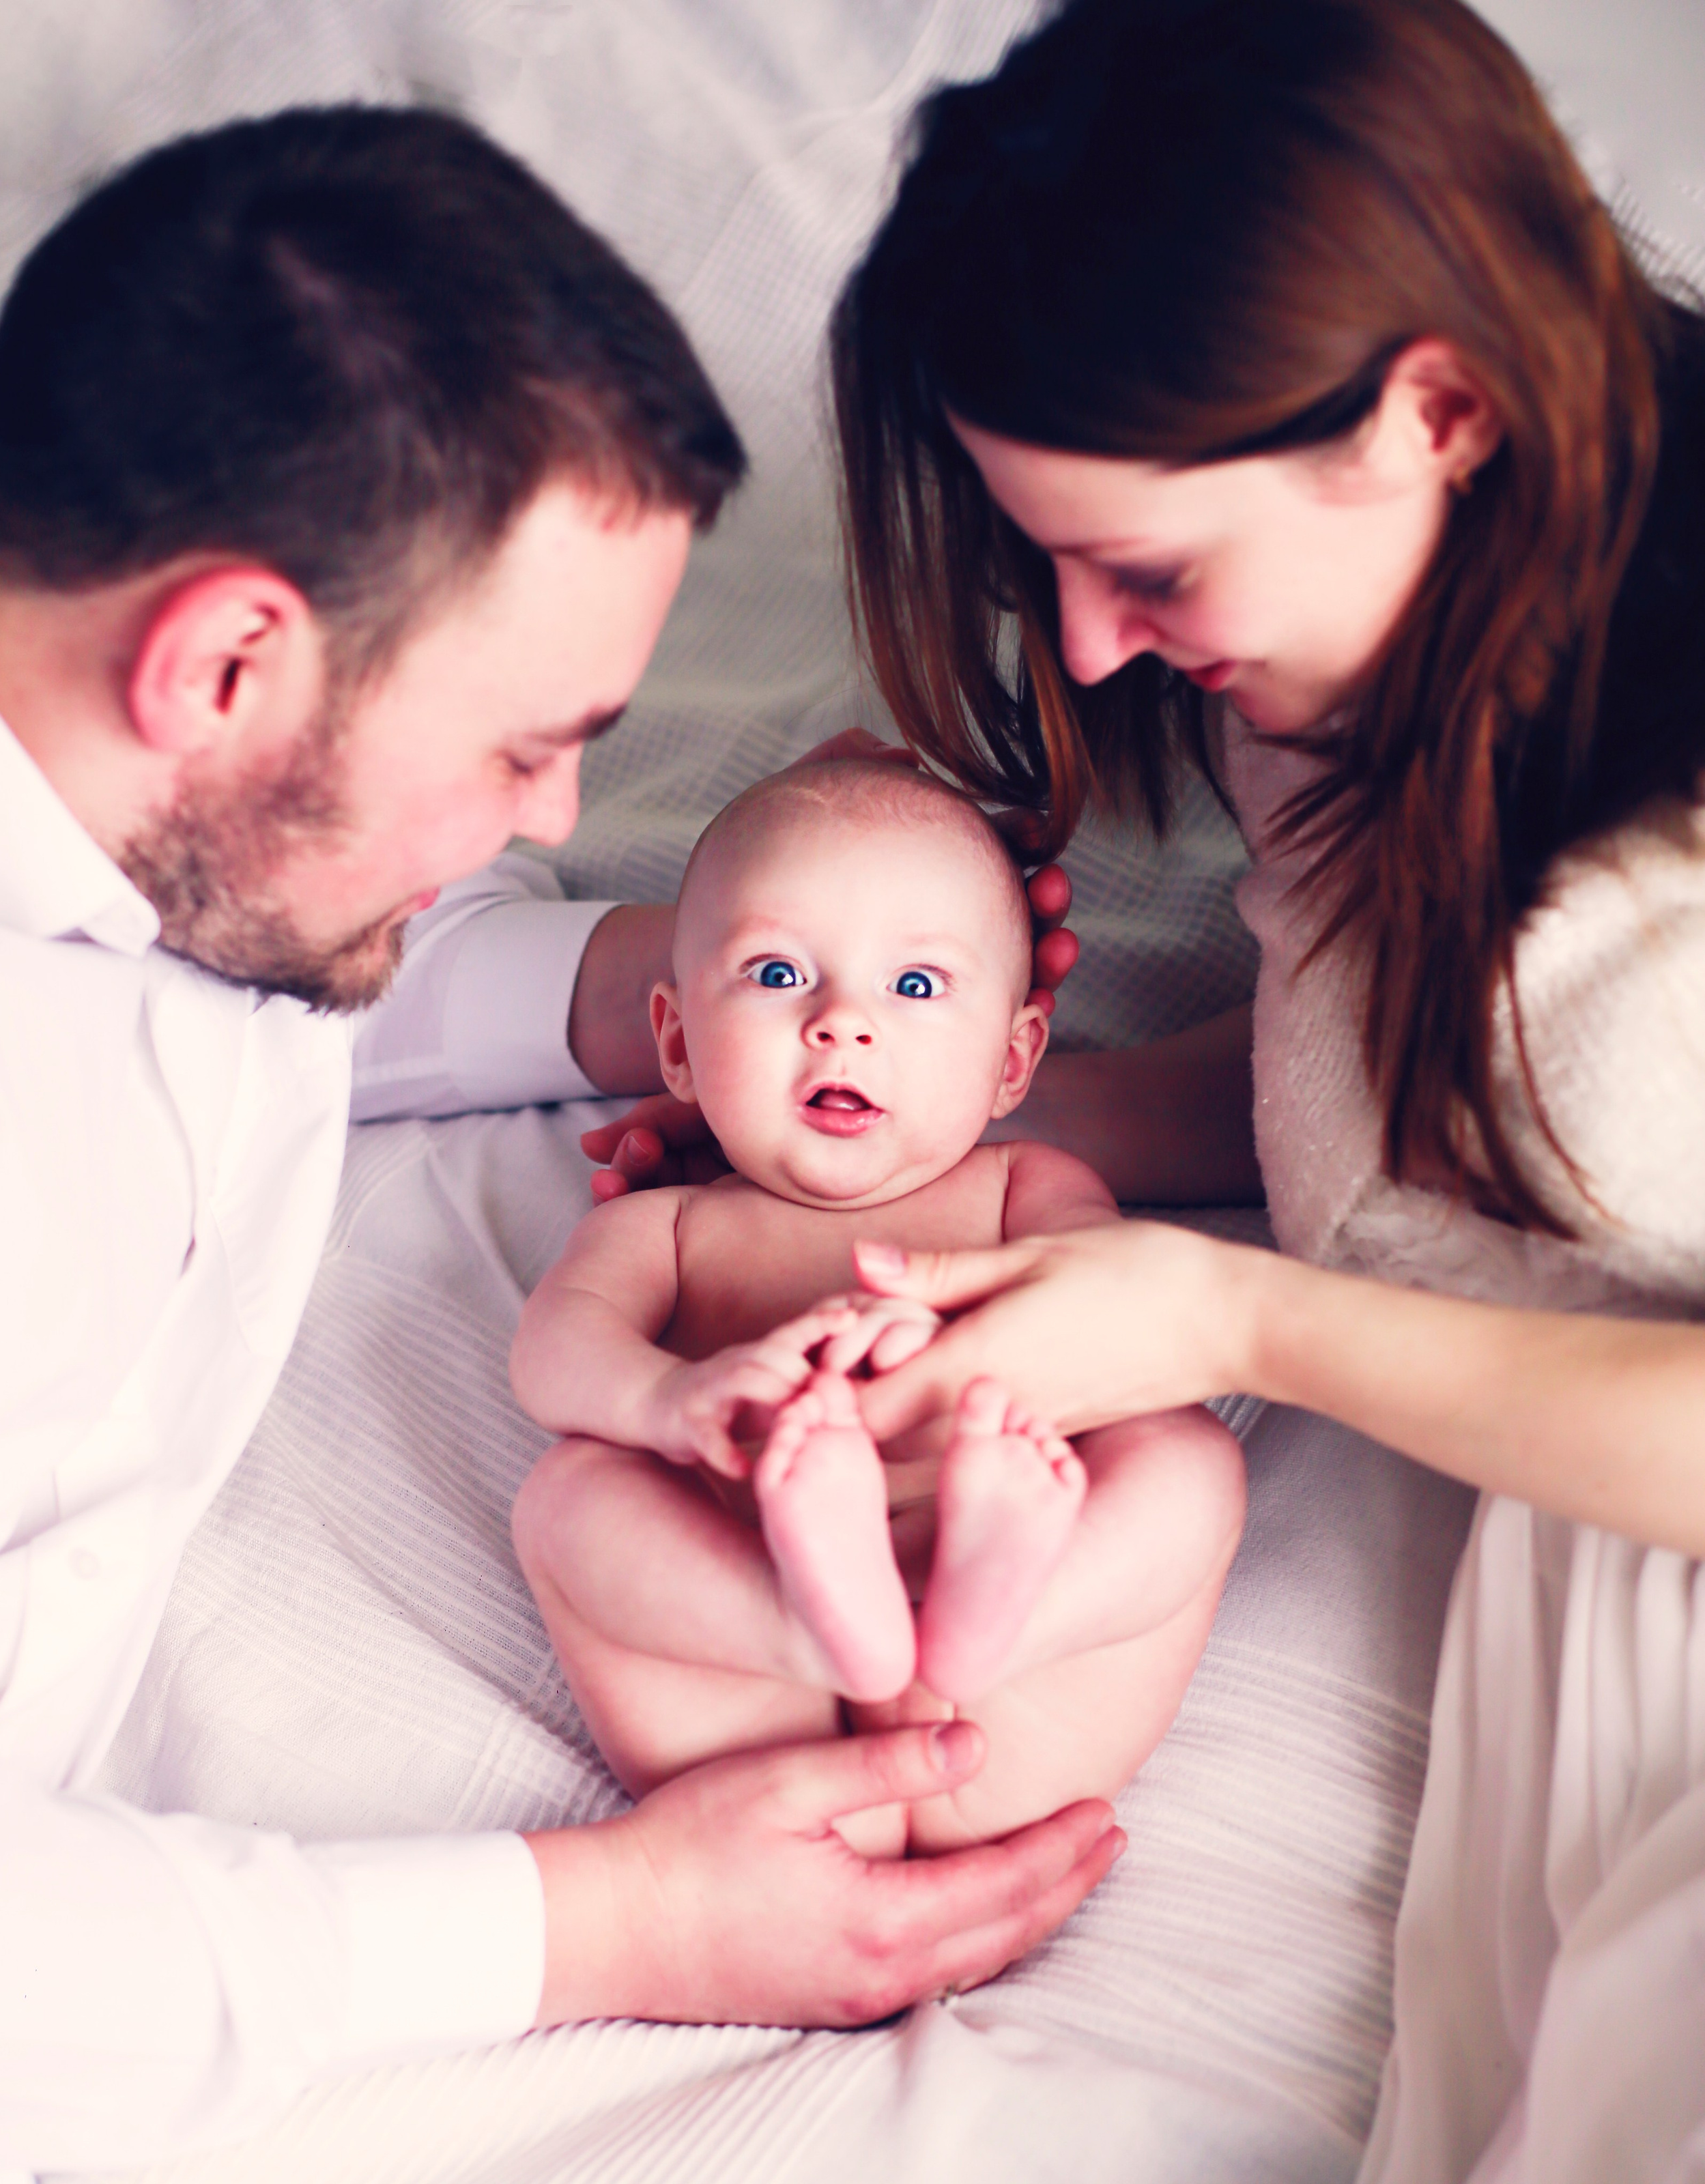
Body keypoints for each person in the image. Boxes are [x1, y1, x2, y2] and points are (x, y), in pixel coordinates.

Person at [0, 106, 1121, 2176]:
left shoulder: (158, 817)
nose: (561, 818)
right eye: (521, 748)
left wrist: (786, 958)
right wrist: (614, 1922)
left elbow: (296, 965)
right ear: (222, 664)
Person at [804, 2, 1705, 2180]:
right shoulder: (1345, 663)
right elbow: (1402, 1105)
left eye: (1151, 570)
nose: (1085, 647)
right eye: (1048, 556)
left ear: (1437, 412)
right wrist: (970, 1135)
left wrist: (1234, 1322)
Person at [508, 759, 1244, 1856]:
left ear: (1013, 1060)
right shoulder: (666, 1225)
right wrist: (672, 1398)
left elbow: (1118, 1321)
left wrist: (969, 1352)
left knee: (1188, 1461)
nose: (843, 1023)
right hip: (757, 1697)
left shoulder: (1026, 1188)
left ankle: (988, 1617)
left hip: (1006, 1710)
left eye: (915, 986)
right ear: (677, 1043)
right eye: (777, 973)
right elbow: (553, 1353)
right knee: (569, 1497)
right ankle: (816, 1629)